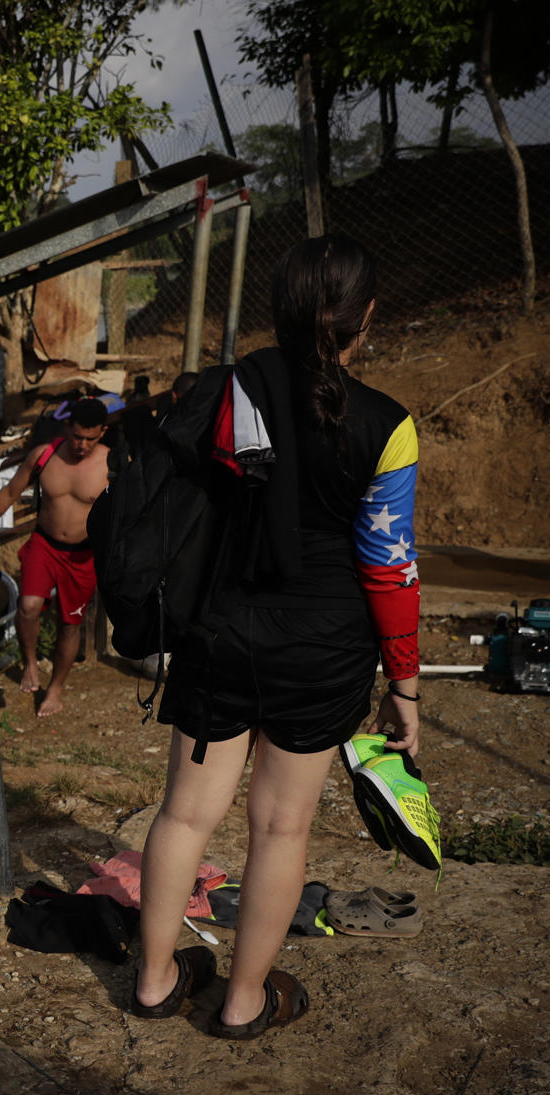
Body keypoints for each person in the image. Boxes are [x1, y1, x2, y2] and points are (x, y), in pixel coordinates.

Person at [131, 234, 422, 1039]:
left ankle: (155, 982)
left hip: (220, 631)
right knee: (281, 827)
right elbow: (391, 567)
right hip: (324, 647)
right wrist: (405, 684)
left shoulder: (229, 394)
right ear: (367, 317)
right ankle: (243, 1000)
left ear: (283, 312)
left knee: (185, 816)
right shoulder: (389, 427)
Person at [0, 396, 112, 716]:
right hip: (44, 544)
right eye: (77, 436)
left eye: (90, 438)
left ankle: (55, 688)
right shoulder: (44, 455)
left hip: (83, 555)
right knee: (28, 606)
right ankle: (31, 663)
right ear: (67, 427)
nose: (81, 445)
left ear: (102, 433)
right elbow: (9, 493)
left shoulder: (112, 464)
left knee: (69, 624)